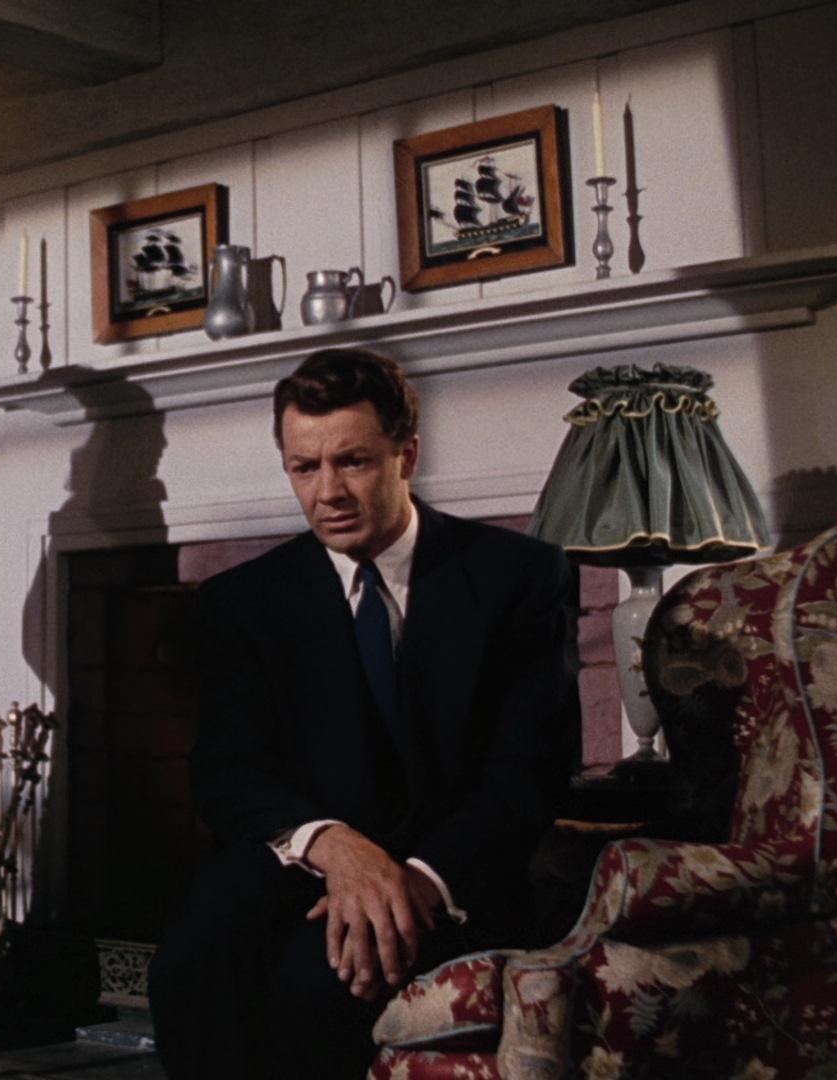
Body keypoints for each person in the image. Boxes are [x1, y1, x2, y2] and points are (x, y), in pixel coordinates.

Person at [148, 347, 580, 1079]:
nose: (328, 493)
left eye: (352, 462)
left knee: (313, 989)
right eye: (304, 468)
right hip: (309, 862)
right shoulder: (244, 602)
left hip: (453, 875)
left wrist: (414, 880)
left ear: (407, 455)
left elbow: (531, 770)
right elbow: (228, 774)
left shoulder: (519, 576)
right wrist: (336, 848)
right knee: (192, 959)